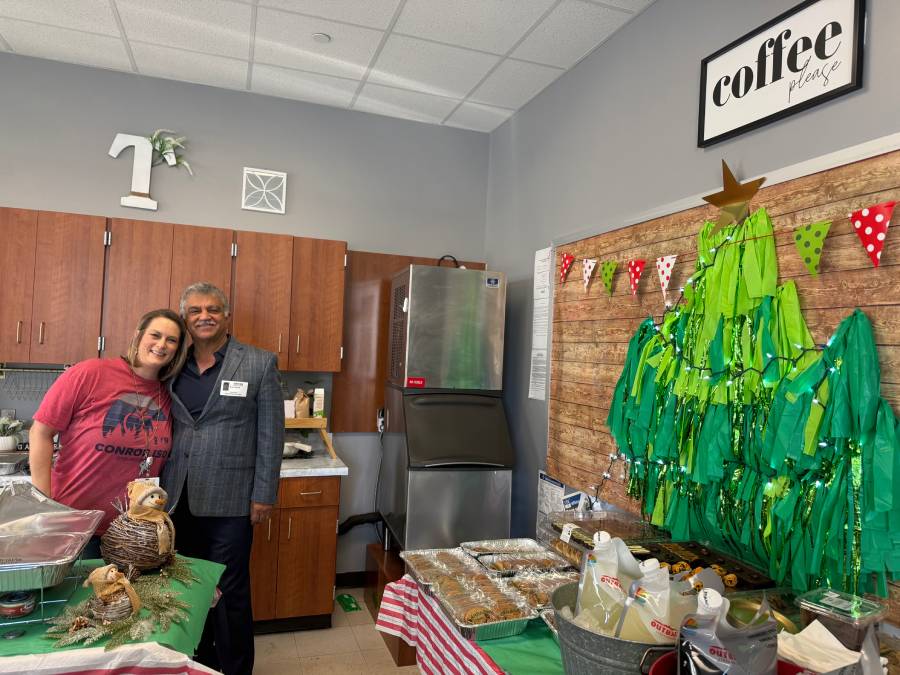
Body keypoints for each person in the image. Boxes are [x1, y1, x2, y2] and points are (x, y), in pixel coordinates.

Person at [161, 281, 283, 675]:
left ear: (226, 315)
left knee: (228, 591)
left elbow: (270, 433)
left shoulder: (259, 363)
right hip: (177, 498)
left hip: (232, 498)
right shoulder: (171, 364)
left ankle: (234, 668)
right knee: (189, 586)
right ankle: (198, 663)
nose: (204, 316)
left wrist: (263, 494)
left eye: (212, 309)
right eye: (195, 311)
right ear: (185, 318)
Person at [29, 309, 188, 554]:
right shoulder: (89, 373)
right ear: (138, 336)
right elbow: (41, 432)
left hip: (134, 532)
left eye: (171, 340)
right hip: (75, 526)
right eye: (155, 335)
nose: (161, 344)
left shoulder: (168, 394)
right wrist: (43, 503)